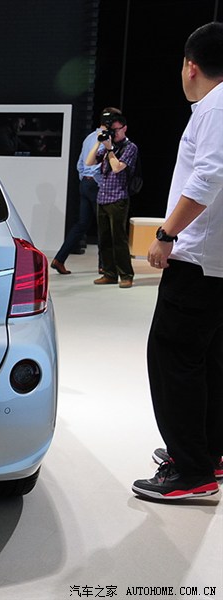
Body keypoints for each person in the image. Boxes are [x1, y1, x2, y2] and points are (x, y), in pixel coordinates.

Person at [131, 22, 223, 501]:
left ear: (191, 66)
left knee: (173, 359)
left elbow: (208, 177)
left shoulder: (215, 106)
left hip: (197, 259)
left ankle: (190, 471)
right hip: (216, 262)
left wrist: (166, 234)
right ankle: (208, 453)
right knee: (208, 360)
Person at [51, 107, 121, 275]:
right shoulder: (107, 140)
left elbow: (80, 164)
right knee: (103, 225)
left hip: (85, 184)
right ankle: (103, 265)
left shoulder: (89, 137)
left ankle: (59, 259)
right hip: (97, 185)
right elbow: (101, 164)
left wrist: (85, 178)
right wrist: (98, 179)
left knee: (82, 224)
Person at [85, 113, 138, 288]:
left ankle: (126, 275)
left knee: (119, 239)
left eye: (116, 130)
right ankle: (109, 274)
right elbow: (89, 162)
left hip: (118, 198)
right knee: (104, 239)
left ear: (124, 128)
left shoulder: (130, 147)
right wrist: (99, 141)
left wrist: (109, 150)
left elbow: (117, 168)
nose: (113, 134)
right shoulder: (109, 146)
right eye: (111, 130)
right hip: (102, 198)